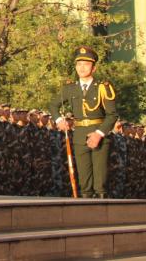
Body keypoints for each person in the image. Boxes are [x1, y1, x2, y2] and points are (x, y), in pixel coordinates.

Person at [49, 45, 118, 198]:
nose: (82, 68)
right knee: (84, 181)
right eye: (79, 64)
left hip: (99, 135)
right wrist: (59, 120)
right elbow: (53, 105)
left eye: (86, 64)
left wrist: (99, 134)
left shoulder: (103, 87)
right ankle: (86, 206)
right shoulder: (70, 88)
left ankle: (102, 206)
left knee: (100, 181)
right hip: (79, 135)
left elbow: (112, 115)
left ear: (94, 68)